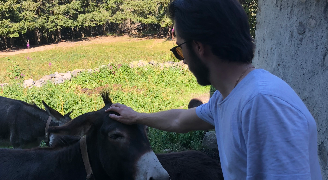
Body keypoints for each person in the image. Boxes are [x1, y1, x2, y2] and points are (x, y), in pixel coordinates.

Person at [106, 0, 322, 179]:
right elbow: (179, 120)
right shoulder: (228, 97)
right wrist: (137, 117)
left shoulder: (262, 103)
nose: (182, 61)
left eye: (179, 50)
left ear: (198, 47)